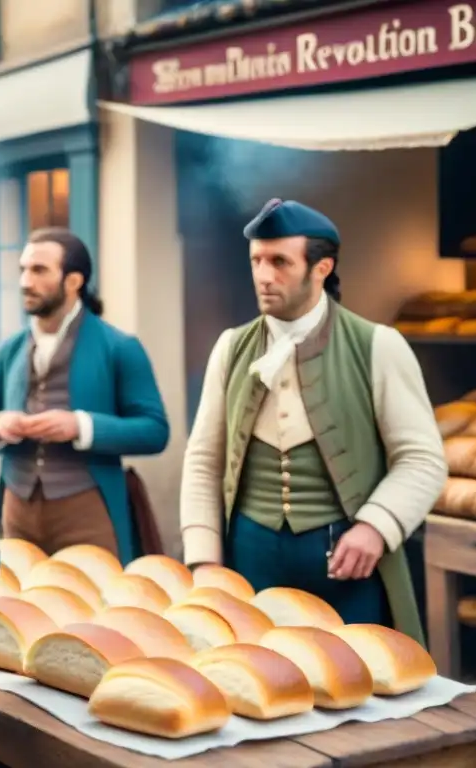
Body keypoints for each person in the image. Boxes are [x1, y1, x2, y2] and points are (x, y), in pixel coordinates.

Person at [179, 198, 447, 644]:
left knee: (363, 689)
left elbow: (422, 458)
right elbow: (204, 459)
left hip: (348, 571)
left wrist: (375, 527)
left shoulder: (378, 345)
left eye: (280, 261)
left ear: (322, 268)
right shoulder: (230, 347)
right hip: (249, 566)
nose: (264, 276)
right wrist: (204, 559)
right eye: (257, 261)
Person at [0, 227, 169, 565]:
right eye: (23, 270)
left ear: (74, 281)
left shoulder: (120, 347)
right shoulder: (10, 350)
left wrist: (81, 426)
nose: (25, 281)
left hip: (87, 512)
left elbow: (155, 430)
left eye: (39, 270)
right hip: (16, 511)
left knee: (94, 613)